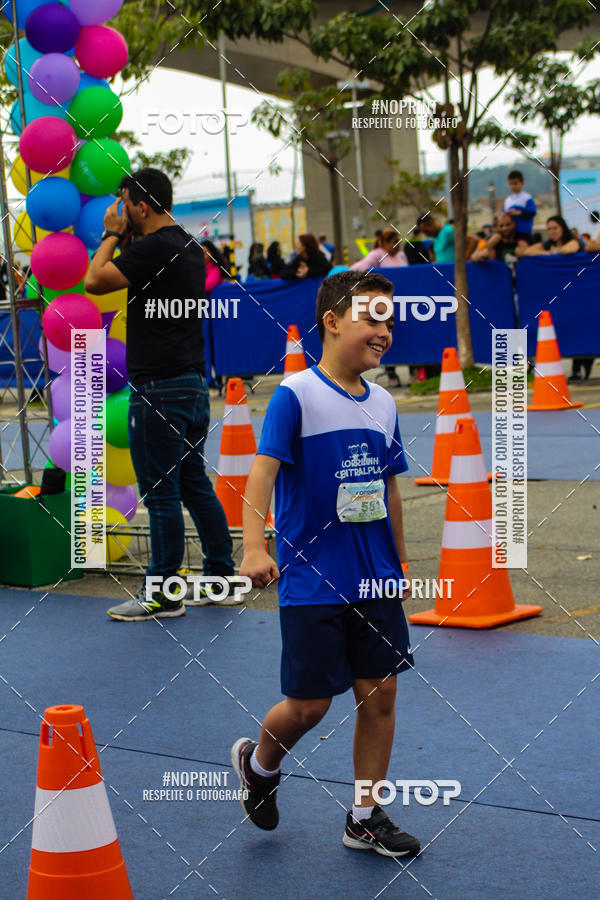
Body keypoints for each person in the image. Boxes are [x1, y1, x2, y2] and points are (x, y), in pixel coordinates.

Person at [232, 269, 420, 858]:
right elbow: (260, 472)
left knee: (381, 695)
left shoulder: (384, 402)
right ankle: (259, 765)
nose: (383, 329)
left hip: (374, 578)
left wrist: (402, 558)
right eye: (371, 316)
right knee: (310, 705)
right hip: (314, 578)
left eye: (389, 318)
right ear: (333, 321)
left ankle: (364, 817)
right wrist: (254, 545)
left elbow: (388, 488)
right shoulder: (296, 395)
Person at [85, 167, 235, 621]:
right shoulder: (190, 247)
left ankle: (163, 593)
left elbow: (95, 281)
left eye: (125, 204)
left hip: (158, 389)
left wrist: (111, 235)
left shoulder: (152, 248)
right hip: (191, 385)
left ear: (142, 207)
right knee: (192, 484)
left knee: (162, 493)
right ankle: (220, 578)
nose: (119, 212)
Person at [517, 215, 583, 257]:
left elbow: (567, 250)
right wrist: (547, 253)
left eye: (555, 228)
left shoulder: (573, 241)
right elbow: (527, 251)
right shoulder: (547, 244)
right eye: (549, 229)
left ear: (563, 228)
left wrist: (553, 252)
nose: (552, 231)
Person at [503, 170, 537, 237]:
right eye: (511, 184)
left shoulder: (527, 198)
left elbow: (532, 213)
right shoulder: (507, 200)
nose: (513, 186)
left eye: (515, 184)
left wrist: (519, 213)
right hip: (510, 233)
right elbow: (503, 215)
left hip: (524, 232)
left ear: (522, 183)